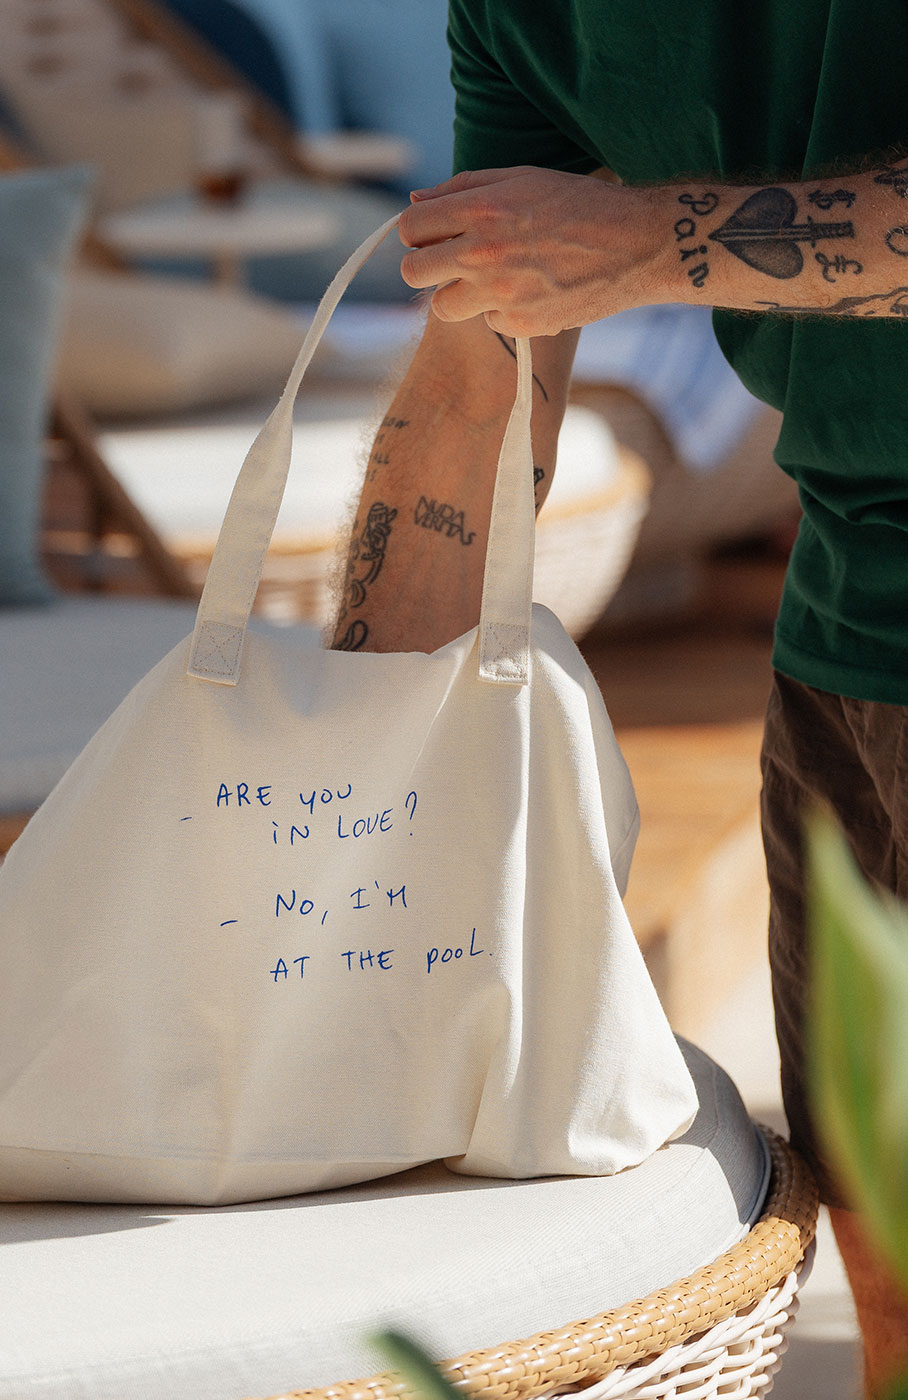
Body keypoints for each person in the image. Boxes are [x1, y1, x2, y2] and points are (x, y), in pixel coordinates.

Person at [331, 2, 908, 1392]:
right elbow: (485, 378)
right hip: (847, 625)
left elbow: (592, 252)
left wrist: (647, 243)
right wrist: (335, 802)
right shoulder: (520, 17)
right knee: (883, 1244)